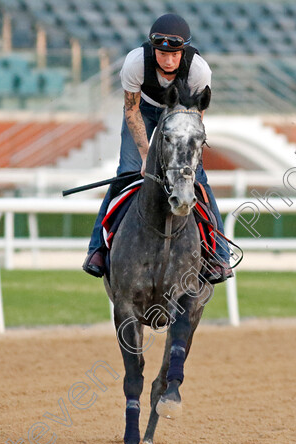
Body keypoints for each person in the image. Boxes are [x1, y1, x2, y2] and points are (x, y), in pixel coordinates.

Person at [82, 13, 233, 284]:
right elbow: (131, 110)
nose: (168, 60)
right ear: (153, 50)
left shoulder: (199, 70)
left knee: (197, 178)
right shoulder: (135, 63)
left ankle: (219, 256)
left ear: (183, 51)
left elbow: (196, 120)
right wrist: (145, 155)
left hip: (181, 115)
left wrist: (187, 157)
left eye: (175, 53)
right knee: (126, 173)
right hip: (142, 112)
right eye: (162, 53)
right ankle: (97, 250)